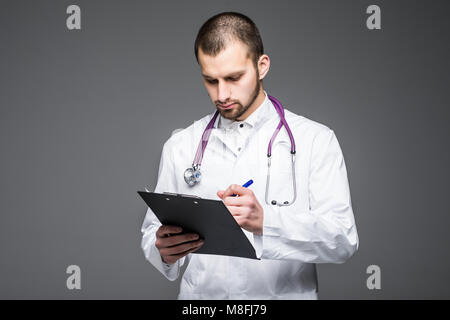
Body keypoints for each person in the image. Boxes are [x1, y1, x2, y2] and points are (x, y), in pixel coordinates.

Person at [141, 12, 359, 300]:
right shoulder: (182, 145)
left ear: (262, 66)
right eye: (211, 80)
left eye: (234, 77)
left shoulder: (315, 140)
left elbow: (342, 240)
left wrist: (266, 221)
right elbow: (152, 233)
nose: (222, 94)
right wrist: (164, 251)